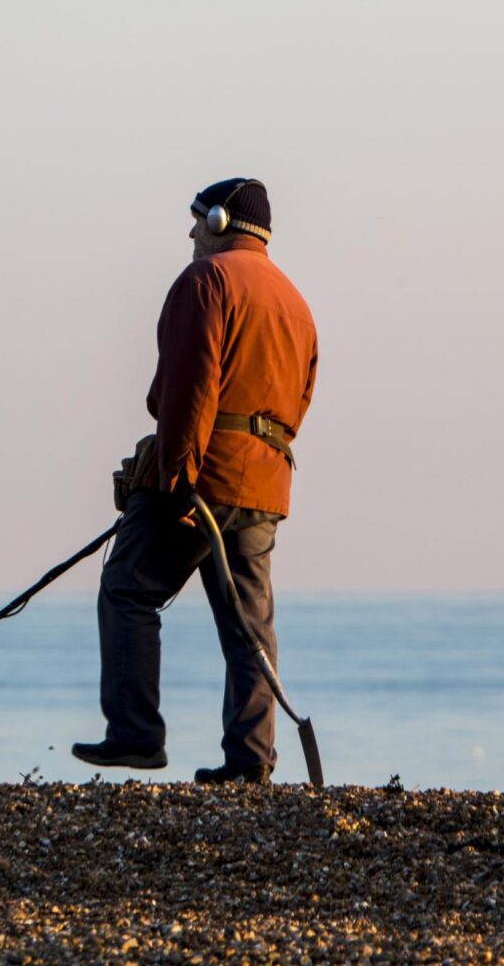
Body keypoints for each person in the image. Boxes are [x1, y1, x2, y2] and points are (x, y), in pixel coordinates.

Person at [72, 178, 318, 785]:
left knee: (128, 589)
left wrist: (174, 478)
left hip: (201, 475)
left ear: (217, 221)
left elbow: (187, 389)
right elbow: (302, 398)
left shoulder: (205, 281)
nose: (188, 234)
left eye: (194, 222)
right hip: (265, 485)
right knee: (249, 627)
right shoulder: (295, 301)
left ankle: (135, 735)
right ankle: (251, 761)